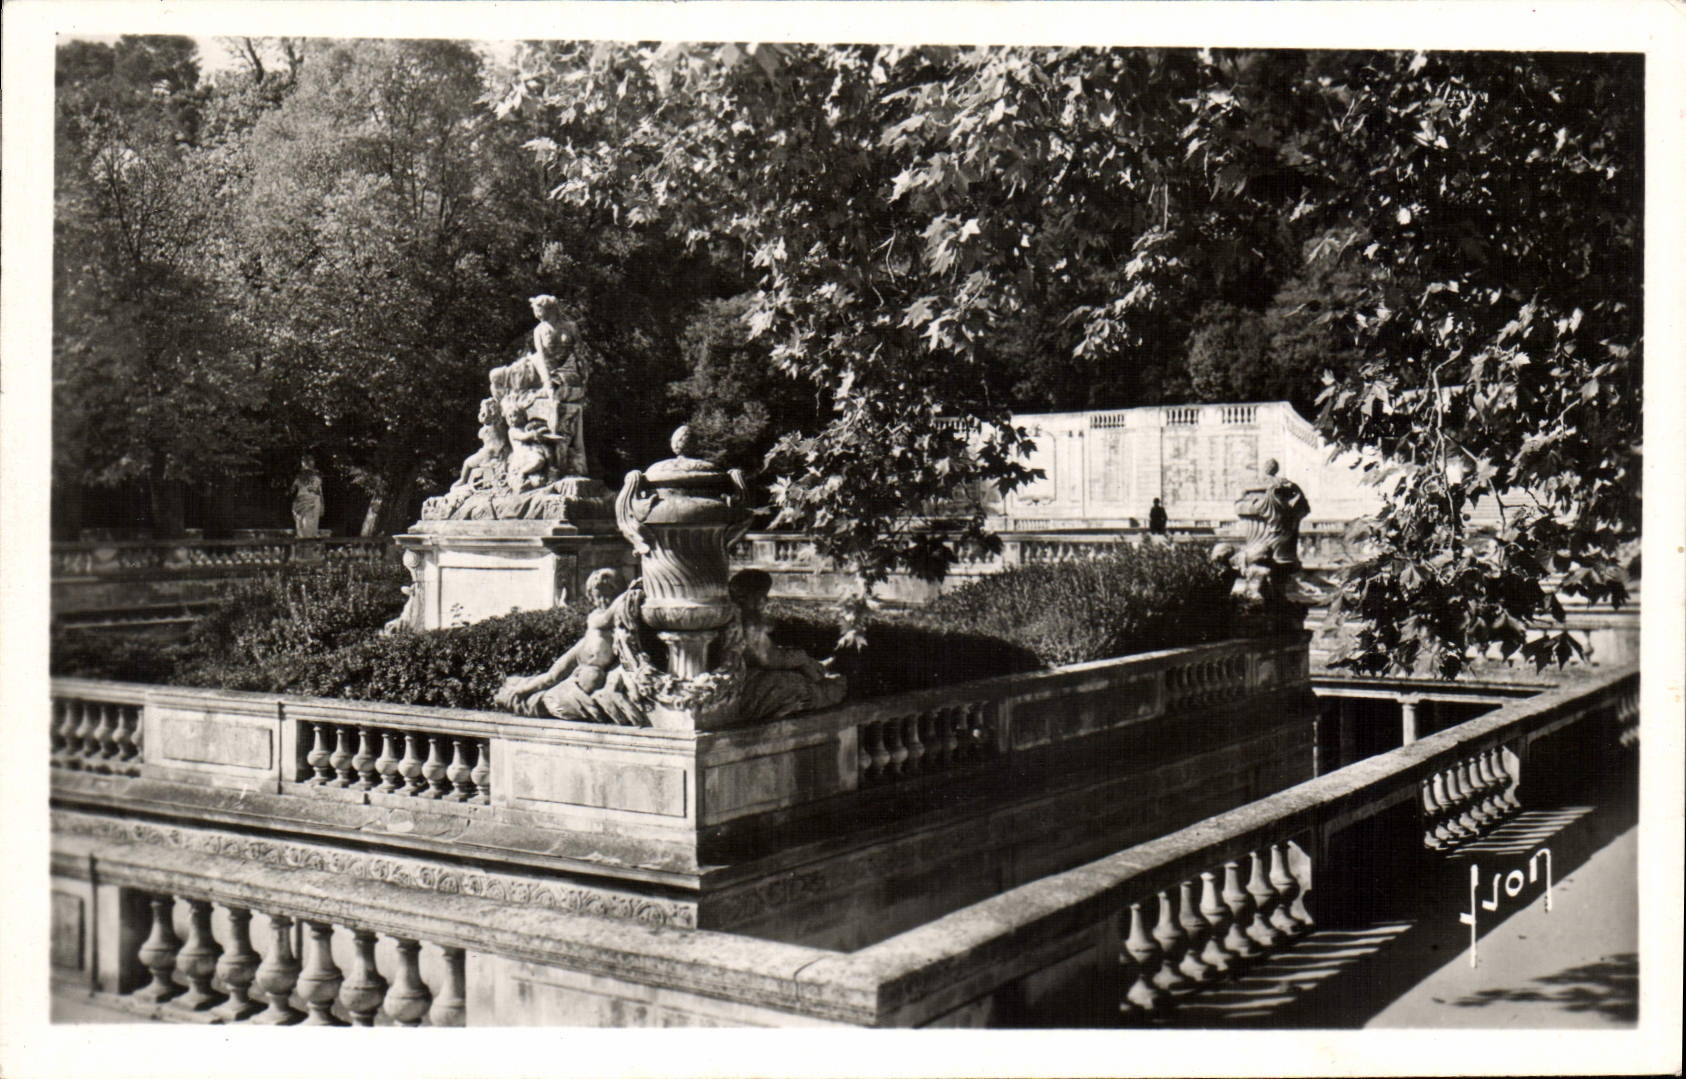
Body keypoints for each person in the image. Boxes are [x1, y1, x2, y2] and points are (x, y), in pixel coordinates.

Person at [495, 568, 625, 721]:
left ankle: (526, 695)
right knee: (551, 676)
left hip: (592, 663)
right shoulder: (597, 616)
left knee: (572, 680)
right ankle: (519, 691)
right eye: (599, 598)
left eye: (608, 597)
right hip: (581, 651)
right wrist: (626, 594)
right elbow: (606, 618)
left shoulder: (619, 613)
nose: (603, 602)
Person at [290, 457, 324, 538]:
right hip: (311, 501)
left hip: (306, 501)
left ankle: (305, 540)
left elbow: (292, 490)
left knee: (304, 524)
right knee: (308, 524)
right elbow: (319, 492)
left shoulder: (299, 477)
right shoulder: (317, 477)